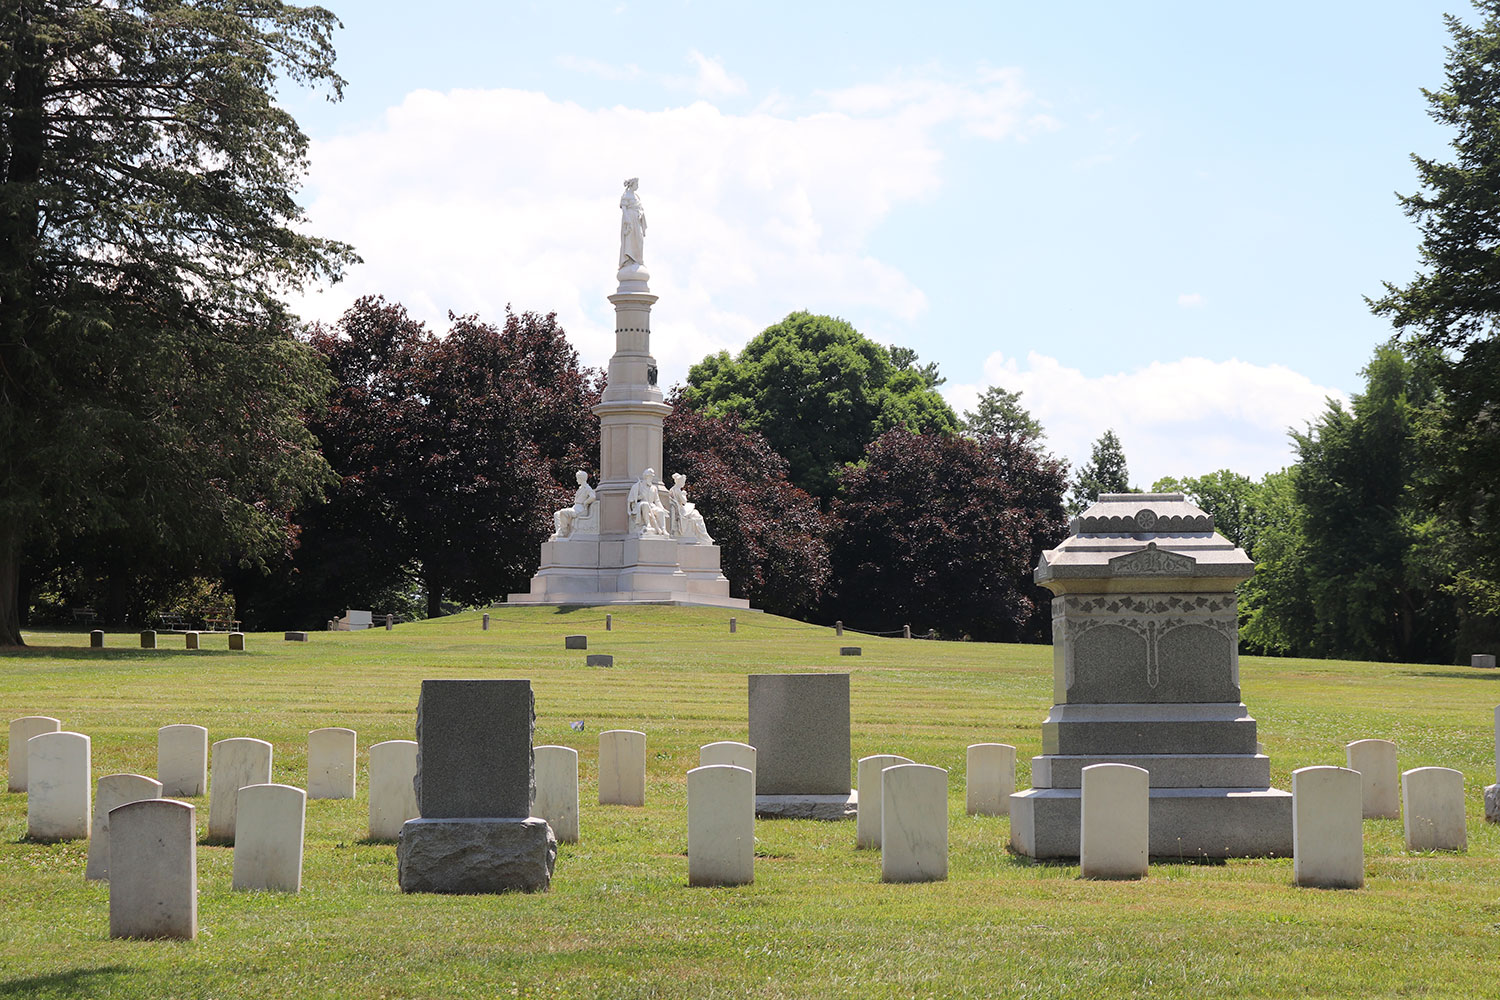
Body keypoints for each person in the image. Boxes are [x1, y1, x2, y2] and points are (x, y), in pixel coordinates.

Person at [668, 472, 713, 544]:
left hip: (680, 509)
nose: (684, 483)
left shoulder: (672, 489)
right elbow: (684, 502)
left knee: (696, 514)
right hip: (681, 511)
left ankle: (704, 536)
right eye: (683, 481)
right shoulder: (678, 490)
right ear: (680, 481)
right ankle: (704, 537)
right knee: (698, 516)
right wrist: (684, 494)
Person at [552, 470, 597, 539]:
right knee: (556, 514)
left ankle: (564, 531)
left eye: (577, 478)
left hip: (580, 509)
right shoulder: (580, 488)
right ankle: (559, 531)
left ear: (581, 478)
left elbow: (593, 497)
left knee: (563, 512)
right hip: (575, 507)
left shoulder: (587, 488)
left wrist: (585, 502)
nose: (576, 480)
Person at [627, 467, 668, 535]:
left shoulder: (654, 488)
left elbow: (657, 501)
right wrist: (639, 497)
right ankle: (647, 524)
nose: (651, 478)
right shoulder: (637, 486)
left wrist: (663, 509)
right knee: (645, 504)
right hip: (641, 505)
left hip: (652, 506)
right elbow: (631, 500)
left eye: (652, 477)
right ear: (646, 476)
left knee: (660, 511)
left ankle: (663, 529)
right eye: (650, 477)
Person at [619, 178, 646, 268]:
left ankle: (638, 259)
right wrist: (626, 219)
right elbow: (624, 208)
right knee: (629, 239)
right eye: (636, 184)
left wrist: (641, 214)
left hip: (637, 219)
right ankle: (628, 259)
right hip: (630, 219)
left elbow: (641, 208)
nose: (637, 186)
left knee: (639, 238)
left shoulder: (637, 196)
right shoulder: (626, 195)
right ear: (632, 184)